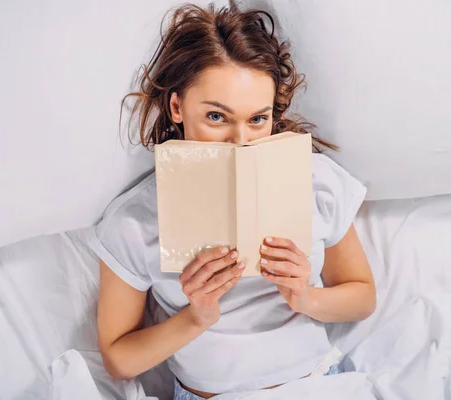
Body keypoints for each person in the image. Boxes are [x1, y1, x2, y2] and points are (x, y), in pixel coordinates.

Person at [90, 3, 376, 399]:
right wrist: (197, 317)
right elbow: (119, 359)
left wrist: (304, 296)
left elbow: (362, 296)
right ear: (177, 107)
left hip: (317, 385)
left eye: (257, 119)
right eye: (217, 118)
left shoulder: (315, 180)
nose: (240, 142)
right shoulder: (135, 220)